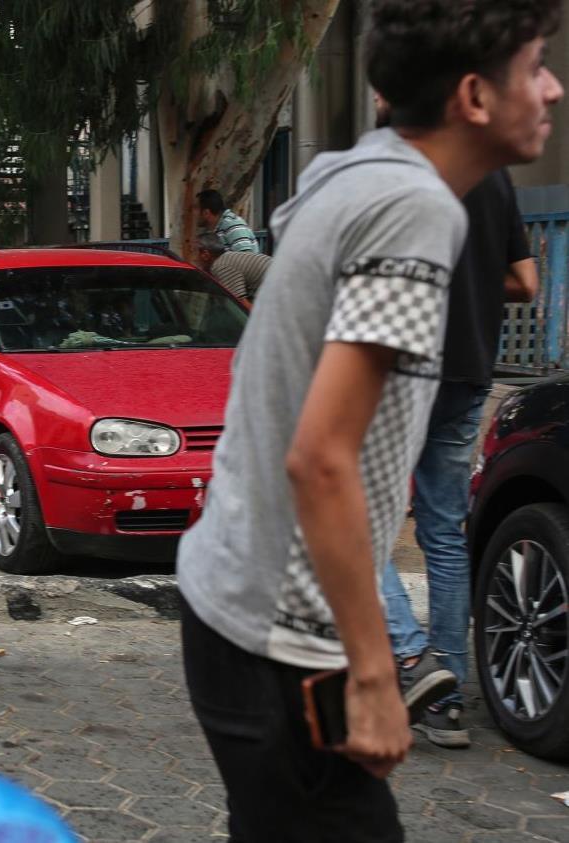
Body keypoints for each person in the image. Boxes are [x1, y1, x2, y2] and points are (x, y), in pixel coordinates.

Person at [176, 1, 562, 839]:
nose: (553, 88)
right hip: (282, 640)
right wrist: (377, 674)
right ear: (472, 95)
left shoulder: (356, 173)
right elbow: (320, 459)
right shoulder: (410, 207)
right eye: (535, 65)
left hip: (231, 605)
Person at [376, 107, 540, 747]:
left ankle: (414, 661)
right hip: (468, 370)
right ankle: (447, 701)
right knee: (444, 531)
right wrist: (467, 286)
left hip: (397, 370)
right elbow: (525, 282)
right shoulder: (494, 175)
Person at [195, 232, 272, 300]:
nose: (194, 259)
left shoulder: (221, 266)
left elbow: (241, 303)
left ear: (205, 255)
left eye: (194, 252)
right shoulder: (227, 258)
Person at [196, 189, 260, 254]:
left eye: (195, 209)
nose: (192, 213)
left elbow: (246, 258)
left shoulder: (233, 225)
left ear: (206, 213)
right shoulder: (212, 230)